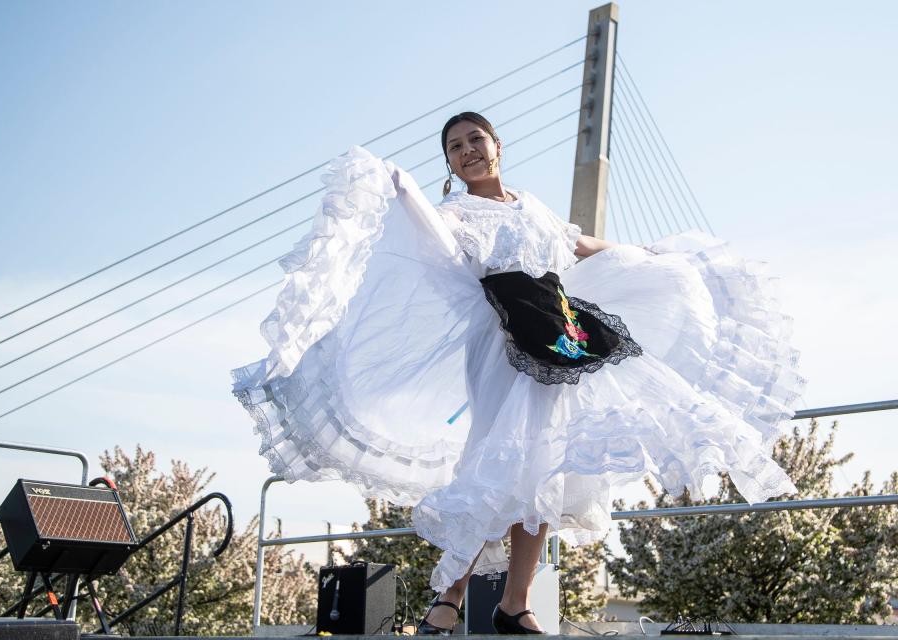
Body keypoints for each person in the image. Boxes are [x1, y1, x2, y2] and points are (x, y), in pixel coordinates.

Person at [232, 112, 805, 634]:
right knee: (496, 464)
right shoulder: (455, 212)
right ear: (451, 164)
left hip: (559, 337)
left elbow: (577, 244)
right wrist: (396, 187)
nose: (467, 151)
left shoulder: (531, 205)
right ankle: (449, 598)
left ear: (497, 145)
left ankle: (515, 603)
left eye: (475, 140)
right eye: (455, 147)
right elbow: (425, 237)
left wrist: (645, 254)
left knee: (544, 470)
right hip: (502, 347)